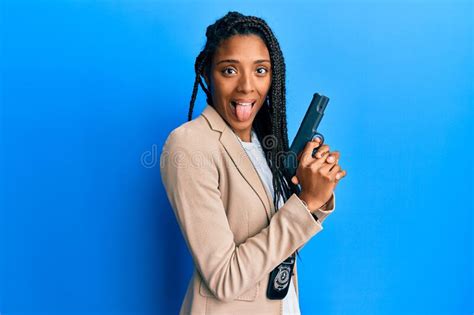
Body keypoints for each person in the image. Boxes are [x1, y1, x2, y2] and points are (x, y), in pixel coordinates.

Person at [160, 11, 346, 315]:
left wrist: (313, 195)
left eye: (260, 70)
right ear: (207, 74)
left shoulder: (264, 145)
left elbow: (279, 244)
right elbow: (224, 278)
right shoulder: (190, 144)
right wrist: (305, 204)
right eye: (229, 70)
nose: (247, 86)